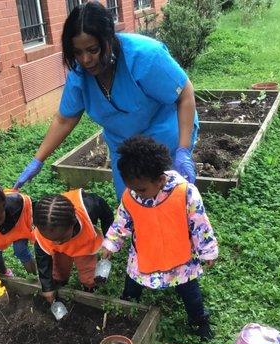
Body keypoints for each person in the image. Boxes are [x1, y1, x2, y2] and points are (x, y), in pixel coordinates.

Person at [14, 2, 198, 199]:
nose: (85, 59)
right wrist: (37, 160)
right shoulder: (79, 74)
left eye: (93, 49)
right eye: (77, 52)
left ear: (108, 40)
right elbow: (64, 119)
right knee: (130, 202)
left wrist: (183, 149)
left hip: (163, 139)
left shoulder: (145, 56)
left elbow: (184, 94)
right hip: (124, 146)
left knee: (169, 201)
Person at [101, 136, 218, 340]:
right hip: (144, 253)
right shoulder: (130, 196)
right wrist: (111, 243)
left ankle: (199, 321)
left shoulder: (185, 192)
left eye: (142, 189)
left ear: (161, 180)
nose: (137, 193)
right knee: (132, 286)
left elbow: (200, 224)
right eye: (131, 188)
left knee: (190, 292)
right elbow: (122, 221)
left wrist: (207, 251)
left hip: (179, 257)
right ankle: (127, 309)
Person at [33, 189, 113, 305]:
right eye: (52, 239)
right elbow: (43, 260)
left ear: (73, 223)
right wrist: (47, 287)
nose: (56, 242)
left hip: (85, 245)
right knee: (59, 270)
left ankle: (89, 290)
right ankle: (60, 283)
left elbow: (107, 216)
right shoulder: (44, 229)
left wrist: (109, 240)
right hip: (61, 252)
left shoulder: (90, 207)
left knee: (88, 274)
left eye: (61, 238)